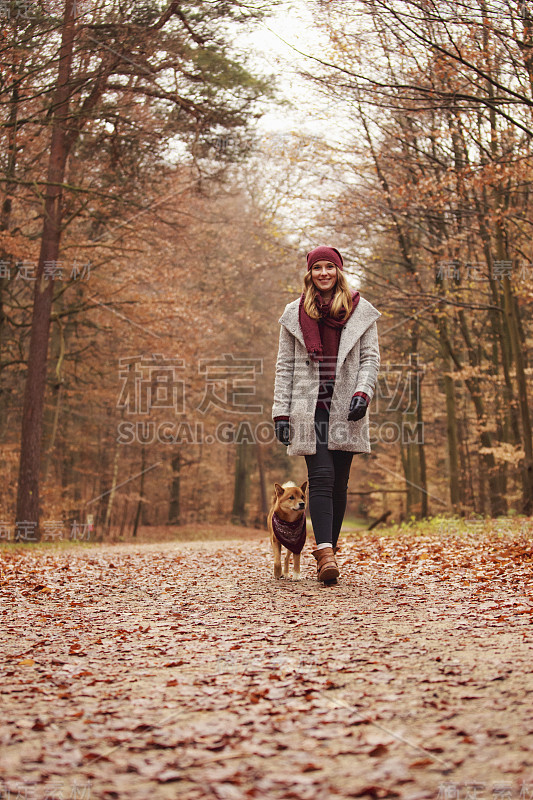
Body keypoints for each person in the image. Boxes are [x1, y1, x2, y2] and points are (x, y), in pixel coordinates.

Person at [272, 246, 381, 585]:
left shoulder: (360, 312)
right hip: (309, 408)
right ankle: (325, 554)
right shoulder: (294, 314)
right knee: (320, 477)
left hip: (347, 407)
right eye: (317, 268)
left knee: (339, 483)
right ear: (310, 273)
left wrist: (363, 392)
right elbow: (284, 366)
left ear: (338, 272)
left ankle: (327, 552)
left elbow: (370, 359)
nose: (323, 273)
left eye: (329, 267)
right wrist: (281, 412)